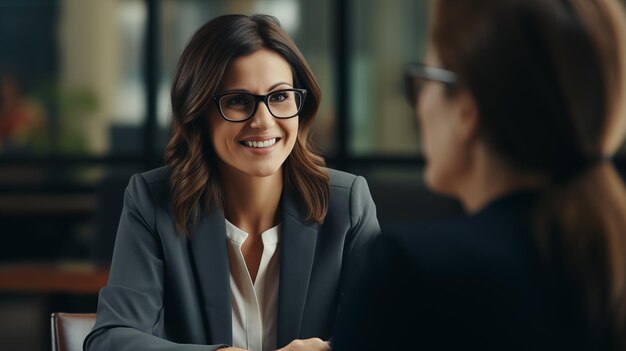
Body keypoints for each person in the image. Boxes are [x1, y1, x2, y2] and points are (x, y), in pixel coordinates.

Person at [333, 0, 626, 350]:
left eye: (422, 80)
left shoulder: (412, 273)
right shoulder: (600, 262)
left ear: (467, 108)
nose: (420, 105)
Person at [84, 14, 380, 351]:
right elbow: (112, 339)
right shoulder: (152, 202)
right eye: (238, 101)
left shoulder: (348, 204)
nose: (264, 122)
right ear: (198, 112)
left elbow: (392, 331)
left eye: (280, 97)